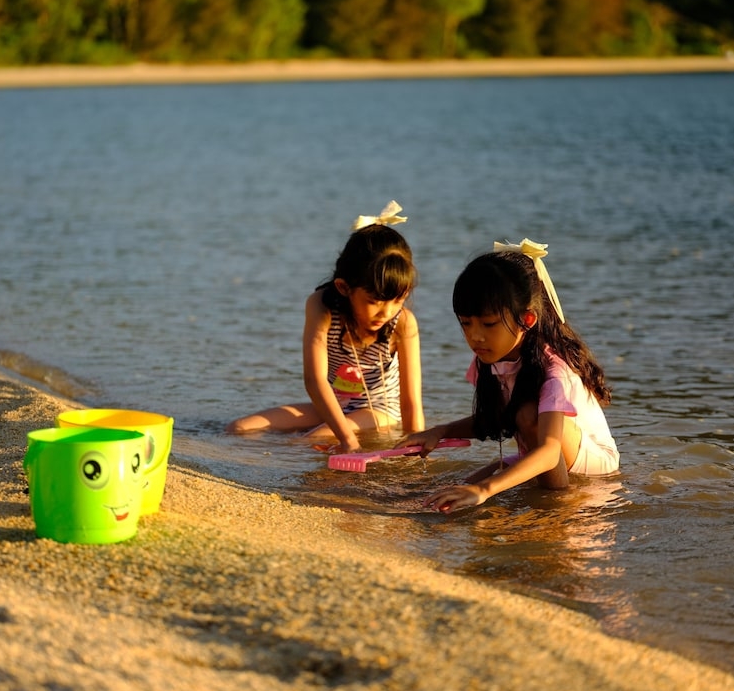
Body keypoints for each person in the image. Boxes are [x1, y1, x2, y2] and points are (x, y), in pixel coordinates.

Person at [399, 239, 619, 514]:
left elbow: (550, 450)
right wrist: (439, 431)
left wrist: (485, 490)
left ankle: (557, 507)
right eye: (466, 324)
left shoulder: (553, 371)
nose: (475, 336)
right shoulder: (489, 358)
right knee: (446, 498)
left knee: (523, 422)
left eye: (489, 324)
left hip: (591, 465)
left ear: (526, 320)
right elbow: (497, 418)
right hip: (536, 452)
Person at [226, 202, 425, 454]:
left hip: (380, 411)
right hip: (332, 403)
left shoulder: (403, 323)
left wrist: (417, 452)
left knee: (306, 441)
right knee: (239, 429)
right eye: (373, 301)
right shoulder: (322, 307)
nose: (386, 312)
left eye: (398, 300)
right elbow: (314, 380)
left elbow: (410, 403)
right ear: (344, 288)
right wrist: (347, 439)